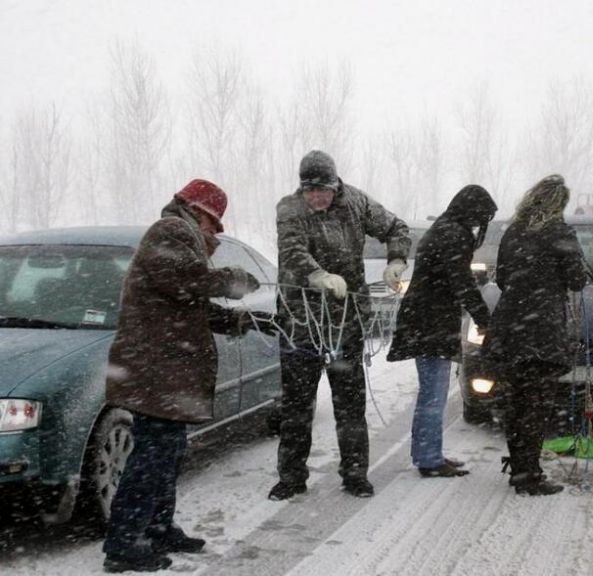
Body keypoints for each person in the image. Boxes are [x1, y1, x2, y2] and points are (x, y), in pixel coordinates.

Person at [103, 179, 262, 573]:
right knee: (151, 459)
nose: (214, 233)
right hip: (156, 372)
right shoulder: (171, 230)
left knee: (166, 456)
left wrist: (239, 320)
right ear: (198, 211)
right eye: (214, 224)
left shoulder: (178, 235)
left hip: (164, 373)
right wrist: (233, 280)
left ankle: (157, 528)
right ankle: (124, 544)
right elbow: (187, 281)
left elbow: (187, 302)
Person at [269, 150, 411, 501]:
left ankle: (355, 474)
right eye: (310, 191)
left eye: (324, 190)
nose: (317, 197)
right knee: (297, 406)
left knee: (350, 404)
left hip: (346, 322)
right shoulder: (290, 208)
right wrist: (318, 275)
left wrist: (395, 261)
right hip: (301, 322)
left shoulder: (357, 203)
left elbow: (396, 227)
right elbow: (292, 250)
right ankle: (291, 477)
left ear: (336, 186)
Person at [481, 175, 586, 496]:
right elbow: (577, 279)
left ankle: (520, 465)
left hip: (511, 326)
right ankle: (529, 474)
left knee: (516, 401)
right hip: (542, 329)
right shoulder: (560, 232)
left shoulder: (513, 230)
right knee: (536, 405)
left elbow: (502, 278)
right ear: (559, 204)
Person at [387, 185, 497, 477]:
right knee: (433, 395)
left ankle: (427, 454)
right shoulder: (453, 234)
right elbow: (462, 282)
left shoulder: (444, 227)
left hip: (425, 320)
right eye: (480, 218)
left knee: (431, 393)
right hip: (430, 323)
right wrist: (484, 318)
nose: (479, 225)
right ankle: (429, 460)